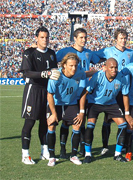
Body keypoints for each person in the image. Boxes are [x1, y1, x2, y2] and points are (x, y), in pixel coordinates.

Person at [56, 28, 100, 158]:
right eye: (81, 37)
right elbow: (53, 58)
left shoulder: (89, 53)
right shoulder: (64, 51)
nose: (84, 40)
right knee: (65, 122)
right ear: (74, 38)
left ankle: (81, 147)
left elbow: (101, 57)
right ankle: (63, 149)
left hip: (84, 92)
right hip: (70, 92)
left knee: (81, 120)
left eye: (85, 37)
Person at [94, 28, 133, 156]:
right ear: (116, 39)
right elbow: (94, 57)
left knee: (126, 118)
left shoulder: (132, 53)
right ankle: (105, 146)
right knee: (107, 120)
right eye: (121, 38)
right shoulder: (108, 51)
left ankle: (123, 146)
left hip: (125, 91)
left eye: (125, 38)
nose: (123, 41)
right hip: (112, 89)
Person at [20, 26, 60, 165]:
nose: (45, 40)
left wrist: (55, 73)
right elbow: (26, 73)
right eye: (42, 37)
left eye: (47, 37)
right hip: (33, 89)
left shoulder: (51, 53)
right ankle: (25, 154)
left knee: (45, 121)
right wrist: (45, 73)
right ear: (36, 38)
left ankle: (44, 151)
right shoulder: (29, 52)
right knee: (30, 122)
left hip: (47, 90)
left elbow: (54, 69)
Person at [83, 58, 132, 163]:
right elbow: (85, 92)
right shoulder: (98, 76)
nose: (114, 70)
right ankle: (88, 154)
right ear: (106, 67)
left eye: (116, 67)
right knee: (90, 125)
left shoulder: (122, 78)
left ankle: (117, 154)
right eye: (111, 67)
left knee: (123, 125)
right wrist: (82, 110)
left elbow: (125, 95)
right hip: (95, 103)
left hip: (111, 103)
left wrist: (127, 113)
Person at [46, 53, 87, 166]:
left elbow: (83, 91)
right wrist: (53, 114)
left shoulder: (80, 73)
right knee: (51, 125)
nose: (73, 68)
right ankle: (52, 157)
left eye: (75, 65)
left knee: (77, 124)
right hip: (56, 104)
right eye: (70, 65)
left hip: (71, 104)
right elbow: (50, 95)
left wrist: (82, 112)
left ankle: (73, 155)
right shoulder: (56, 76)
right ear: (64, 65)